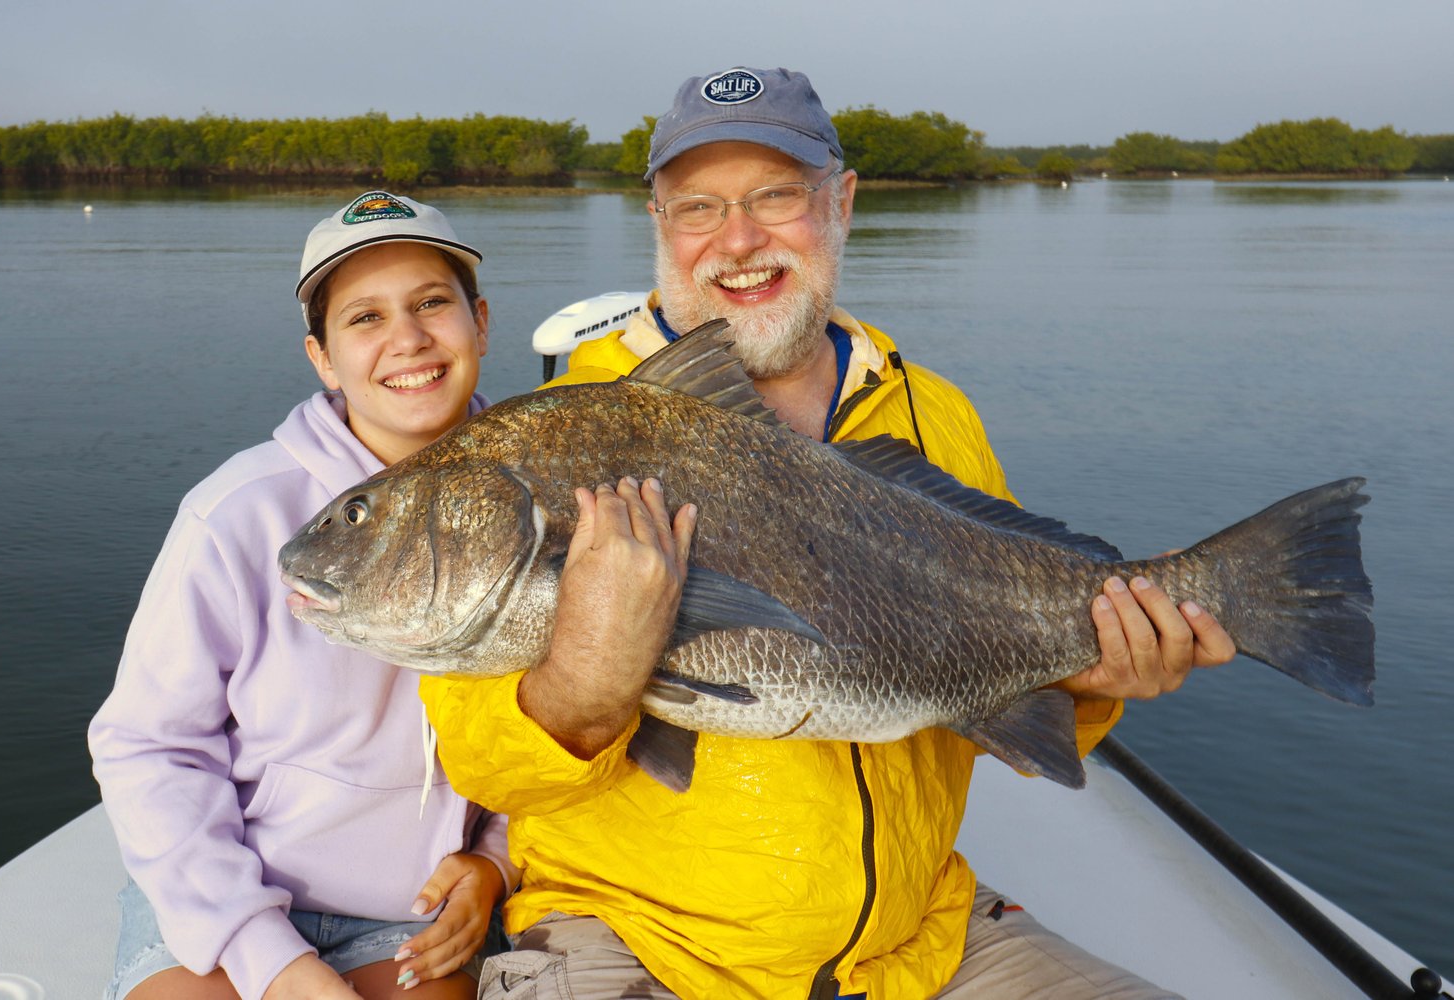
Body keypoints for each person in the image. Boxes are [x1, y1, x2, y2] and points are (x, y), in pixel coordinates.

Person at [420, 68, 1237, 999]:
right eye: (699, 207)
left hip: (923, 943)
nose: (738, 240)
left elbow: (983, 685)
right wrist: (583, 680)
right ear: (658, 221)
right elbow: (480, 762)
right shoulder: (554, 433)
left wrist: (1096, 681)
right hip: (634, 944)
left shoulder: (934, 413)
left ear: (841, 201)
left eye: (776, 196)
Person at [89, 191, 517, 1000]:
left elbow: (576, 714)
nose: (409, 339)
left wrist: (492, 861)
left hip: (412, 913)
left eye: (432, 303)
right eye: (365, 318)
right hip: (226, 900)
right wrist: (276, 966)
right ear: (321, 357)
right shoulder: (238, 511)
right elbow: (147, 745)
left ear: (481, 322)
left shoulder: (536, 495)